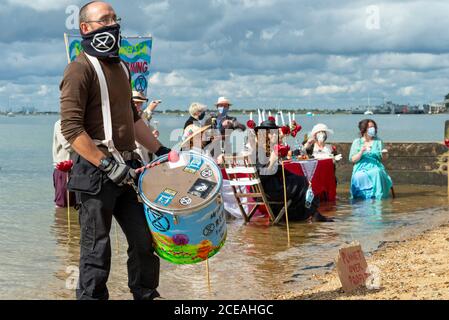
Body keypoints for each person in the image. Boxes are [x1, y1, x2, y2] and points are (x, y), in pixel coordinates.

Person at [59, 1, 170, 300]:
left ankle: (146, 295)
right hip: (94, 173)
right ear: (85, 28)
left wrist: (159, 149)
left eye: (114, 19)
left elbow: (132, 119)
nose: (112, 25)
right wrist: (106, 164)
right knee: (96, 250)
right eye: (103, 20)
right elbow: (71, 130)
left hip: (129, 170)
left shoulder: (122, 66)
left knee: (145, 240)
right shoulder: (78, 69)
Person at [252, 119, 333, 222]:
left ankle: (304, 214)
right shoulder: (260, 151)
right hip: (268, 189)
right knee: (301, 184)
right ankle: (309, 214)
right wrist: (272, 160)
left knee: (301, 180)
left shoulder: (267, 148)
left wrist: (294, 175)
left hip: (269, 187)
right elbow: (261, 176)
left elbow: (278, 170)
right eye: (273, 133)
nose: (276, 135)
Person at [349, 119, 393, 200]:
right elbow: (352, 159)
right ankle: (360, 198)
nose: (373, 129)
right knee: (358, 176)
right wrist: (361, 152)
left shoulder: (378, 141)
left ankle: (378, 198)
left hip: (375, 165)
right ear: (364, 129)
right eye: (370, 127)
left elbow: (383, 158)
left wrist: (384, 154)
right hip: (360, 167)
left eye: (374, 127)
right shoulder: (357, 142)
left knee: (377, 172)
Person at [132, 91, 161, 163]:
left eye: (139, 103)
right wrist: (149, 109)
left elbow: (146, 126)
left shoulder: (142, 115)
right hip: (135, 155)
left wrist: (153, 133)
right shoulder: (127, 116)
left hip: (145, 154)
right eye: (134, 102)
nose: (136, 105)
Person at [52, 119, 74, 208]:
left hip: (77, 169)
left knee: (76, 205)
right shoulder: (60, 124)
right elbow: (68, 146)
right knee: (62, 205)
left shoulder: (80, 124)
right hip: (64, 169)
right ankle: (60, 222)